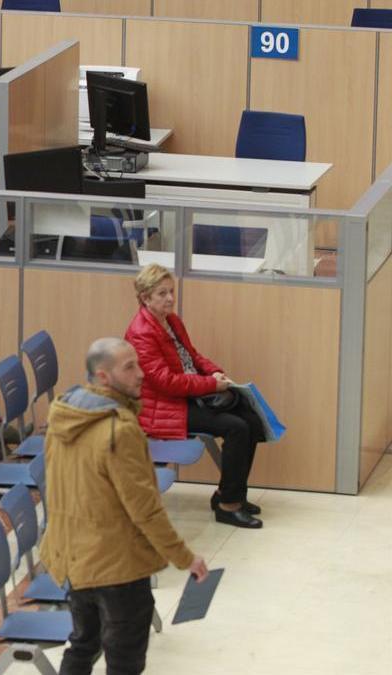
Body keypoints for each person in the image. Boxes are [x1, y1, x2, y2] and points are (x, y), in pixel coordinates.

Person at [40, 338, 209, 675]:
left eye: (137, 363)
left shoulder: (63, 416)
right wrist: (184, 557)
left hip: (75, 560)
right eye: (128, 367)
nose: (141, 374)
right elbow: (145, 509)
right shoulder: (119, 430)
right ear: (103, 377)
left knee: (83, 644)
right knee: (124, 661)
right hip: (116, 567)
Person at [124, 264, 265, 529]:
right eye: (162, 293)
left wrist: (216, 374)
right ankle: (228, 506)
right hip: (163, 407)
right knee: (236, 428)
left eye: (171, 291)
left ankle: (230, 493)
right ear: (145, 298)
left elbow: (193, 357)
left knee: (251, 420)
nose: (169, 298)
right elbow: (166, 383)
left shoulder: (171, 321)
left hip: (187, 396)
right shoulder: (141, 333)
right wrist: (210, 385)